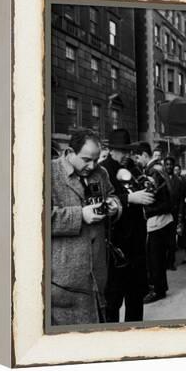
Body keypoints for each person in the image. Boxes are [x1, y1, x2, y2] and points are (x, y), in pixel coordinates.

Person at [50, 129, 121, 325]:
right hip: (64, 281)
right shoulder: (47, 173)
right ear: (70, 152)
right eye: (86, 160)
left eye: (96, 160)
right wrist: (80, 215)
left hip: (97, 274)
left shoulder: (101, 173)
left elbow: (112, 195)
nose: (92, 166)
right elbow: (36, 219)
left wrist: (115, 206)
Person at [100, 129, 154, 322]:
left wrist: (147, 183)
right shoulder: (103, 170)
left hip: (137, 244)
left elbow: (143, 186)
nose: (127, 156)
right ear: (112, 150)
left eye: (129, 151)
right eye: (123, 151)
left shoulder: (131, 167)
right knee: (113, 300)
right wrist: (129, 198)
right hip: (117, 246)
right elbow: (102, 202)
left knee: (136, 297)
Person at [132, 142, 174, 304]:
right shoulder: (159, 169)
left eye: (137, 157)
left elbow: (151, 200)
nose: (137, 161)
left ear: (144, 155)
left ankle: (158, 290)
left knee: (154, 258)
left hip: (156, 221)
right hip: (165, 220)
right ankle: (160, 287)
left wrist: (142, 209)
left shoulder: (151, 173)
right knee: (158, 257)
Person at [164, 156, 185, 271]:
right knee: (163, 240)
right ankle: (163, 261)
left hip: (175, 213)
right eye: (166, 164)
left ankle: (171, 262)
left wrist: (180, 214)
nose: (169, 166)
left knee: (172, 240)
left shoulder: (179, 181)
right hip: (163, 213)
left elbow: (182, 199)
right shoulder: (161, 178)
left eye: (170, 164)